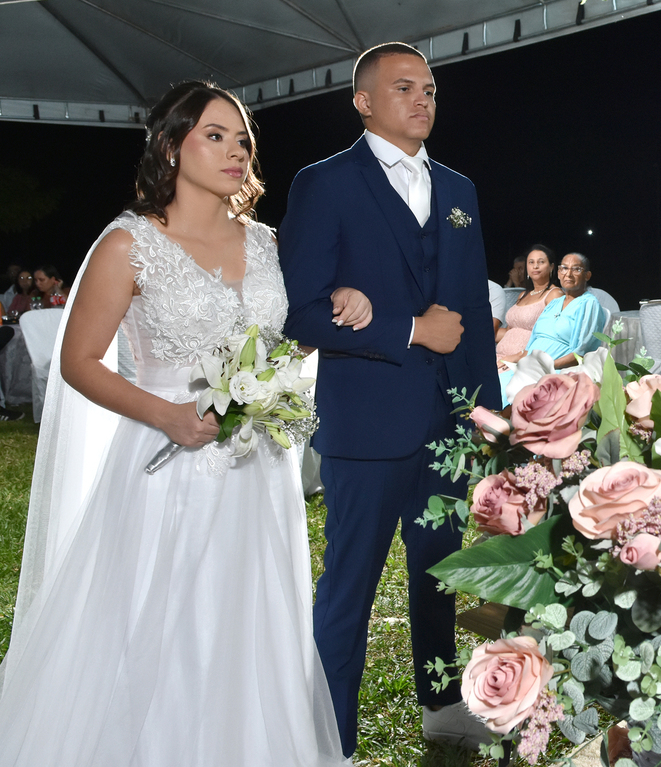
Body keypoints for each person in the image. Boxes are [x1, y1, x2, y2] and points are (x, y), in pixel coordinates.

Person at [0, 81, 347, 765]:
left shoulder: (272, 243)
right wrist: (169, 415)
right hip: (165, 461)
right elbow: (78, 360)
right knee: (160, 619)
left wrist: (334, 312)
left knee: (250, 621)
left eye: (241, 138)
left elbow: (283, 339)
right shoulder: (129, 245)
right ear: (170, 145)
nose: (233, 150)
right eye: (214, 135)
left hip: (258, 469)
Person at [279, 41, 501, 756]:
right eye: (405, 87)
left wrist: (486, 417)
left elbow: (471, 314)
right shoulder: (325, 183)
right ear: (364, 101)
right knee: (350, 588)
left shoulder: (461, 190)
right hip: (367, 427)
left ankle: (440, 703)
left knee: (439, 574)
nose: (423, 99)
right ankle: (329, 736)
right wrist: (408, 329)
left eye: (431, 89)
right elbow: (301, 313)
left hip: (448, 426)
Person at [498, 252, 604, 400]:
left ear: (587, 276)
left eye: (576, 269)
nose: (569, 274)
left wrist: (547, 365)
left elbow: (581, 353)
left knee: (510, 394)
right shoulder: (554, 303)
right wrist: (513, 359)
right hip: (530, 367)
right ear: (559, 273)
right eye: (564, 268)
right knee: (493, 384)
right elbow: (531, 344)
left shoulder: (588, 303)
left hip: (556, 371)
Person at [495, 244, 563, 359]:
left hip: (524, 361)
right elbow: (509, 331)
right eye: (531, 262)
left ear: (551, 267)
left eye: (541, 262)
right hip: (501, 357)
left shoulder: (554, 294)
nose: (535, 266)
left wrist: (518, 356)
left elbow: (551, 337)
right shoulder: (523, 295)